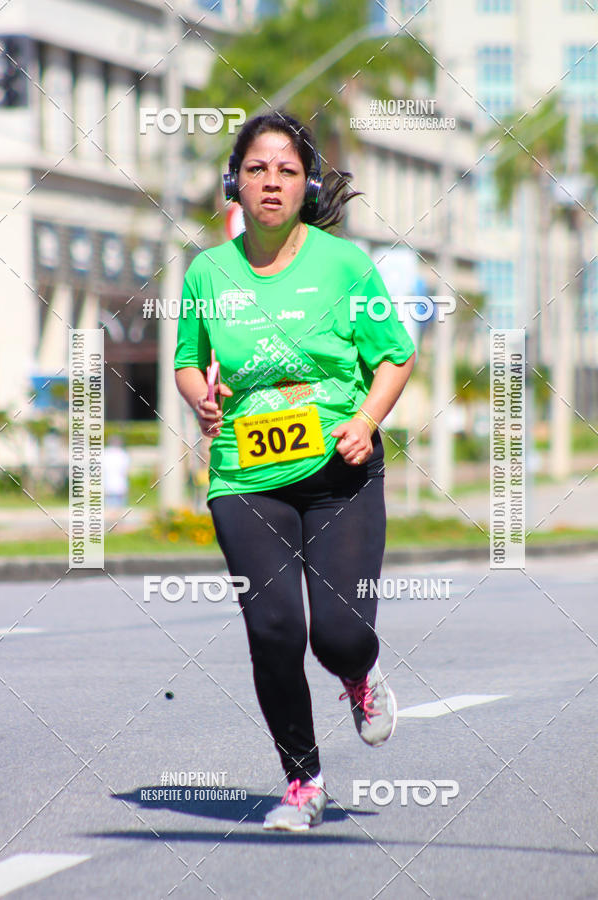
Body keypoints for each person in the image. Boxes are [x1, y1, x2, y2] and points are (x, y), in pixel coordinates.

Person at [174, 111, 416, 832]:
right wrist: (202, 401)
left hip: (339, 469)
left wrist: (367, 421)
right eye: (256, 169)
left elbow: (395, 356)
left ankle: (360, 675)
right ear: (234, 184)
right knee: (273, 629)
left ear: (307, 184)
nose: (271, 182)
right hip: (245, 475)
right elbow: (188, 363)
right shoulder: (207, 272)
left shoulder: (344, 266)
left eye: (285, 170)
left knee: (337, 634)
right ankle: (302, 782)